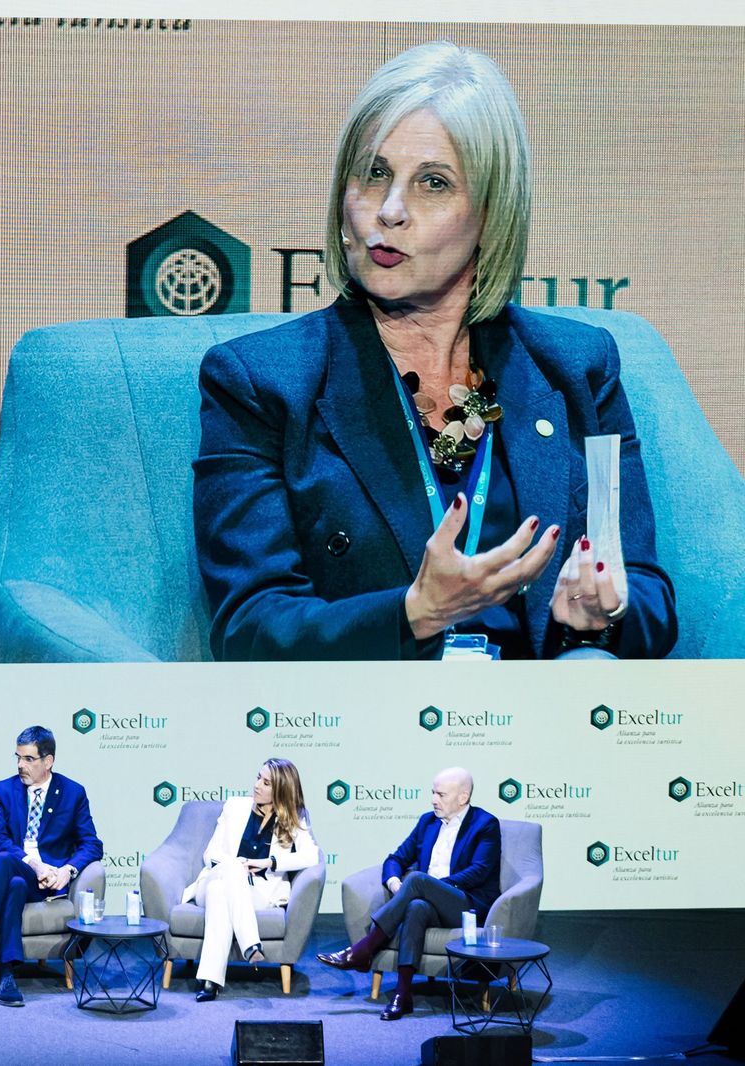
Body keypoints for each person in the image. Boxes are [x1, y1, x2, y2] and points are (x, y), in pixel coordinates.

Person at [191, 40, 677, 662]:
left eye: (433, 184)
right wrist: (415, 613)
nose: (389, 212)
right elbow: (249, 628)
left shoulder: (578, 367)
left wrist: (596, 621)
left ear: (492, 214)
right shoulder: (259, 382)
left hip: (540, 729)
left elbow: (651, 597)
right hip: (366, 731)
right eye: (372, 174)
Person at [0, 725, 103, 1007]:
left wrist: (66, 872)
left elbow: (92, 844)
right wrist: (35, 865)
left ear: (47, 761)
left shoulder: (73, 793)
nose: (20, 765)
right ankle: (6, 974)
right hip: (7, 873)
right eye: (17, 757)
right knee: (8, 869)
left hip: (44, 883)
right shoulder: (2, 790)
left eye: (28, 759)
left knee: (14, 876)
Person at [317, 767, 500, 1020]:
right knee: (416, 907)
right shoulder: (427, 822)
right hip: (427, 903)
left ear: (463, 797)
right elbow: (396, 858)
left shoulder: (485, 824)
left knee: (416, 881)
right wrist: (394, 883)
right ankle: (403, 995)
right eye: (433, 793)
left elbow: (478, 871)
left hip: (465, 905)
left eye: (441, 795)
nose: (434, 800)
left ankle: (364, 949)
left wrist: (430, 886)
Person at [181, 758, 318, 1001]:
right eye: (258, 778)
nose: (257, 786)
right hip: (213, 877)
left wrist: (270, 862)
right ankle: (250, 944)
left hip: (257, 893)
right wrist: (237, 865)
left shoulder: (294, 817)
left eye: (266, 783)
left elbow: (311, 856)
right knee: (229, 870)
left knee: (219, 894)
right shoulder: (235, 807)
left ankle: (211, 981)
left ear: (280, 790)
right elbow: (210, 854)